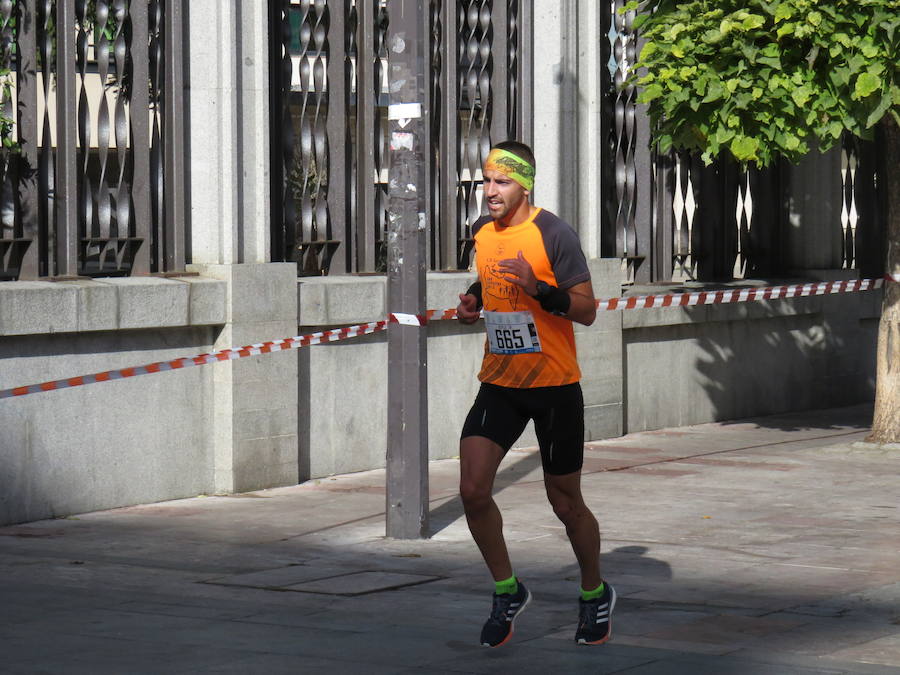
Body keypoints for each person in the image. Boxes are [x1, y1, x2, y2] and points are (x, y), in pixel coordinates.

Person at [456, 140, 615, 648]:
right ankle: (508, 590)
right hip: (500, 382)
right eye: (486, 181)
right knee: (473, 491)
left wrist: (539, 290)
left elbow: (588, 310)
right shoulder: (481, 233)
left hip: (554, 387)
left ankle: (594, 592)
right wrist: (472, 301)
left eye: (501, 182)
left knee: (565, 504)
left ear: (524, 184)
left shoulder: (553, 232)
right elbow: (488, 279)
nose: (490, 191)